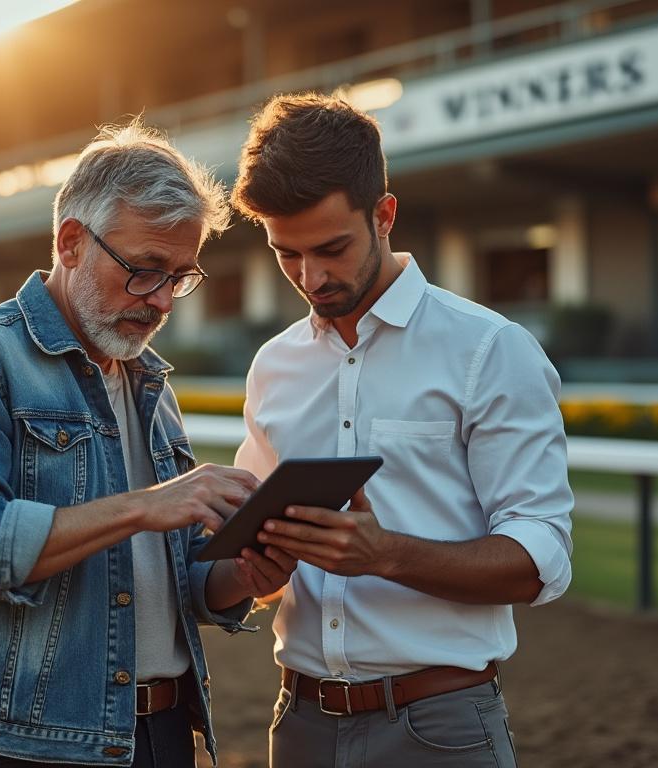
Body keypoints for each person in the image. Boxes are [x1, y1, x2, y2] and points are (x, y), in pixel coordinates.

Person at [0, 121, 297, 768]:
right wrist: (143, 506)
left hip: (164, 738)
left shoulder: (148, 380)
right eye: (144, 269)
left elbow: (182, 580)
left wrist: (242, 575)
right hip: (24, 747)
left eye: (179, 276)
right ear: (71, 242)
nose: (162, 299)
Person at [231, 93, 574, 767]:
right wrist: (258, 566)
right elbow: (261, 579)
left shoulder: (490, 348)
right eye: (286, 254)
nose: (311, 277)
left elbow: (542, 559)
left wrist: (384, 554)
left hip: (440, 730)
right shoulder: (274, 365)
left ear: (384, 215)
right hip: (297, 727)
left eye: (332, 248)